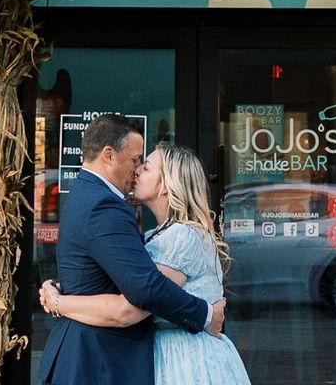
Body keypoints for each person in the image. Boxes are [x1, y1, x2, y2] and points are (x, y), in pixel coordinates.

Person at [43, 139, 251, 385]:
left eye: (147, 166)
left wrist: (58, 302)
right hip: (161, 354)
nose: (138, 169)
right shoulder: (156, 235)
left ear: (167, 184)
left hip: (184, 360)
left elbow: (131, 309)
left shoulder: (181, 237)